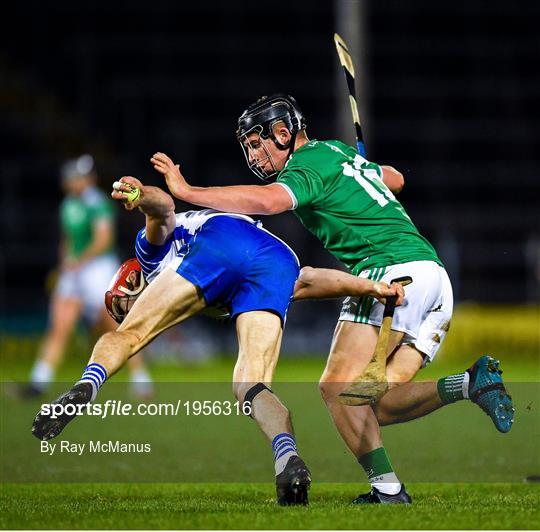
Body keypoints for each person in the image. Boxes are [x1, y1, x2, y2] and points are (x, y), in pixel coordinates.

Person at [149, 93, 515, 504]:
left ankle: (388, 491)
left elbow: (268, 202)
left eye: (256, 143)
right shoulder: (336, 153)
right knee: (374, 402)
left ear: (283, 134)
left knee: (336, 388)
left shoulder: (307, 167)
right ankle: (469, 384)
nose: (253, 155)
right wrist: (363, 169)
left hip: (390, 272)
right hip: (435, 281)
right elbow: (395, 178)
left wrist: (188, 190)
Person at [31, 176, 404, 506]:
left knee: (127, 337)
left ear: (131, 282)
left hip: (219, 242)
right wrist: (371, 286)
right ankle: (285, 456)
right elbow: (308, 280)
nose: (131, 308)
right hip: (277, 258)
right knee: (252, 385)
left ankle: (87, 385)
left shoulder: (149, 256)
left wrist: (141, 195)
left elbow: (162, 210)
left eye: (125, 303)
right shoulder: (203, 262)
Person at [24, 154, 153, 399]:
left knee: (115, 326)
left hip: (97, 269)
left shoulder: (97, 203)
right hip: (74, 271)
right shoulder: (68, 205)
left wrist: (78, 260)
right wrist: (64, 266)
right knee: (59, 327)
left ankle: (141, 377)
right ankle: (39, 381)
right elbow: (67, 240)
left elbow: (103, 239)